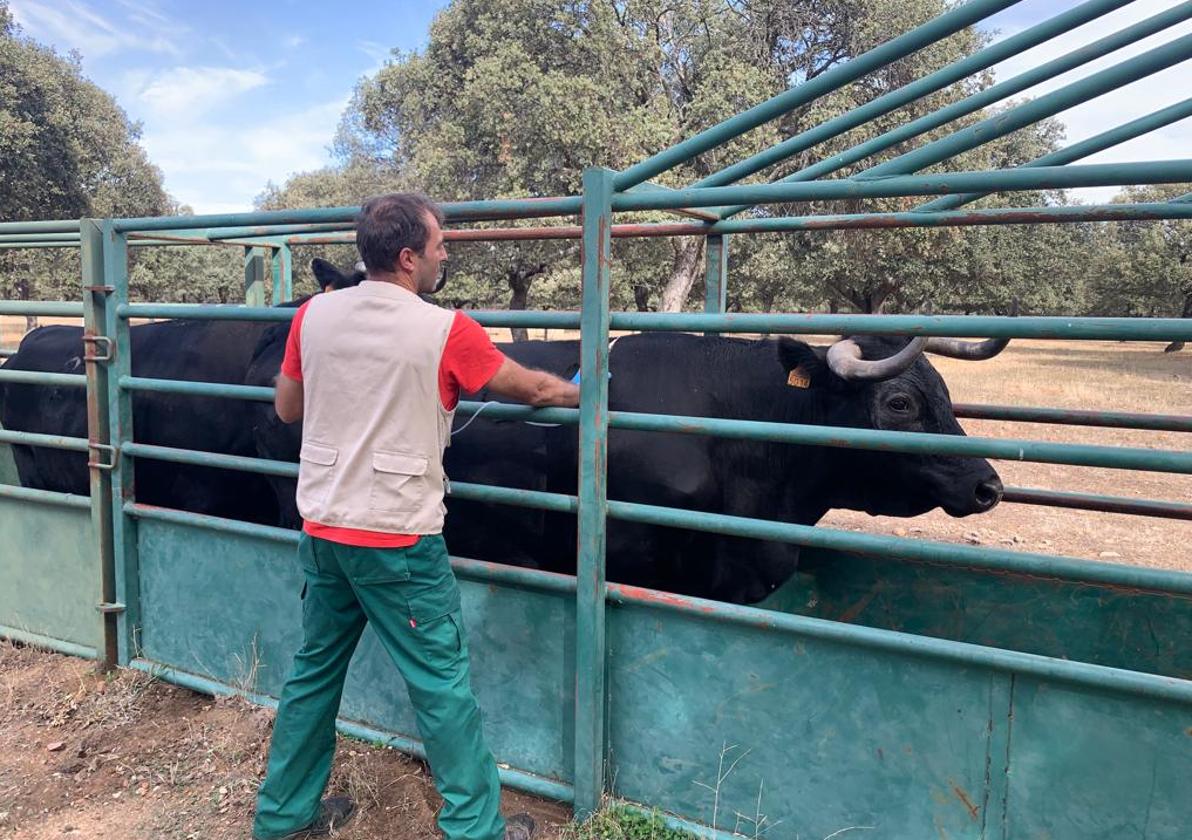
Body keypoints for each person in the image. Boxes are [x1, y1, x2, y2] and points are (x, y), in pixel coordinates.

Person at [251, 193, 580, 840]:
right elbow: (534, 388)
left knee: (314, 672)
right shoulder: (444, 329)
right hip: (397, 539)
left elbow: (287, 409)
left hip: (322, 527)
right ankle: (476, 828)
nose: (444, 255)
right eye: (439, 247)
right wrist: (586, 390)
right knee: (441, 686)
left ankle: (283, 818)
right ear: (408, 259)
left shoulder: (312, 316)